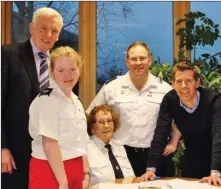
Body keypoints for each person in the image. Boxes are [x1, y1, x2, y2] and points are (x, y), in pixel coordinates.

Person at [86, 41, 174, 177]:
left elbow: (179, 120)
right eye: (133, 59)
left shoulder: (165, 89)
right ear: (127, 62)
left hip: (157, 156)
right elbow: (91, 117)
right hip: (122, 156)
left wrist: (173, 143)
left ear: (150, 60)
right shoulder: (111, 87)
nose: (138, 62)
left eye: (142, 58)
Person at [1, 7, 63, 189]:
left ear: (58, 36)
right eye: (43, 28)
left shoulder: (59, 66)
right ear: (31, 28)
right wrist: (1, 148)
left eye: (54, 31)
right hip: (15, 154)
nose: (48, 34)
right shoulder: (7, 55)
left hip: (49, 156)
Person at [140, 62, 221, 186]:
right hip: (193, 157)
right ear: (173, 84)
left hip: (219, 158)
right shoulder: (170, 100)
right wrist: (150, 169)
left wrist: (215, 173)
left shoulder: (214, 100)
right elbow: (160, 132)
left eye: (188, 81)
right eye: (179, 82)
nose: (183, 86)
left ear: (197, 83)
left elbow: (219, 134)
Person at [28, 46, 90, 189]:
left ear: (79, 71)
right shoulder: (47, 99)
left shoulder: (76, 101)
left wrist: (85, 172)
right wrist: (63, 182)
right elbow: (49, 143)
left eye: (72, 69)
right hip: (50, 170)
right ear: (52, 72)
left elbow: (82, 141)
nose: (67, 75)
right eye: (61, 70)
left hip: (76, 168)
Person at [87, 104, 135, 186]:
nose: (106, 126)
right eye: (101, 122)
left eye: (109, 121)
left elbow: (131, 178)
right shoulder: (86, 150)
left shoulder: (119, 147)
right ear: (92, 128)